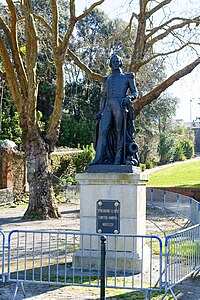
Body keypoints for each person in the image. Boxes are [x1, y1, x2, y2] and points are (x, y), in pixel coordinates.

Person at [90, 54, 139, 166]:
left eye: (118, 61)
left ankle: (118, 158)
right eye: (114, 62)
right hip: (108, 106)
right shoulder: (107, 79)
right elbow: (104, 97)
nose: (116, 63)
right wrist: (100, 111)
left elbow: (135, 93)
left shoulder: (128, 77)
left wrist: (129, 98)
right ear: (111, 64)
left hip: (120, 104)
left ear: (121, 62)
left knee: (119, 132)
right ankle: (98, 158)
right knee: (103, 131)